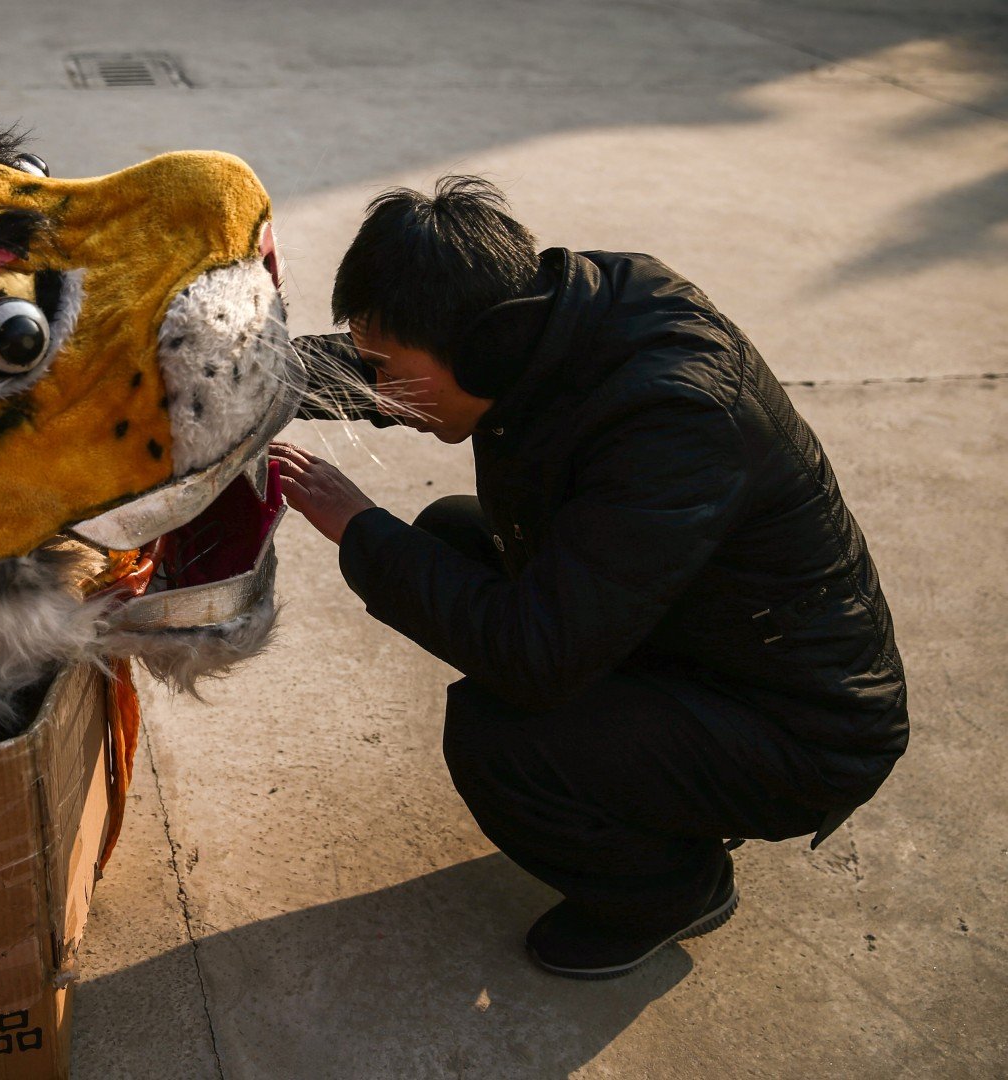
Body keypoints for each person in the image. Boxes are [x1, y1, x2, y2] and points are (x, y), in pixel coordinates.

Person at [271, 176, 907, 979]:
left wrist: (356, 526)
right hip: (699, 639)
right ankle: (655, 788)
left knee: (499, 737)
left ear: (483, 348)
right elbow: (395, 360)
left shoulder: (672, 420)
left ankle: (673, 889)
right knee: (447, 540)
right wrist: (258, 378)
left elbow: (536, 659)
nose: (382, 391)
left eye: (387, 369)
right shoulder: (552, 317)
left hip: (796, 725)